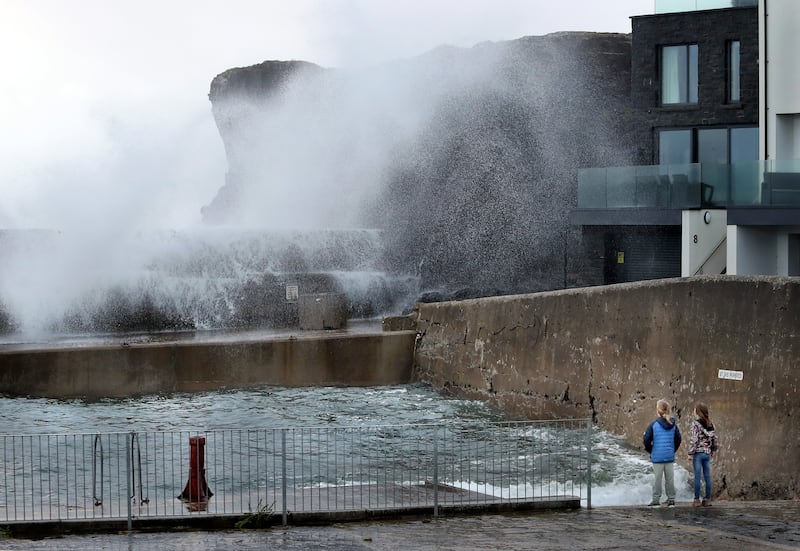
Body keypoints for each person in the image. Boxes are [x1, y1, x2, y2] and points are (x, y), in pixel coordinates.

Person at [643, 399, 682, 507]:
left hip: (657, 457)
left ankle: (656, 500)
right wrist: (672, 450)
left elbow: (646, 440)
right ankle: (671, 500)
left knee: (657, 479)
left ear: (658, 411)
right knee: (670, 479)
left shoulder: (653, 425)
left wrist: (651, 450)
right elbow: (678, 439)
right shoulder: (673, 424)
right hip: (669, 456)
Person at [688, 402, 717, 507]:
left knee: (697, 476)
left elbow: (694, 439)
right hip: (707, 453)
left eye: (694, 410)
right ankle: (707, 499)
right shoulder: (711, 424)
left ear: (697, 412)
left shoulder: (695, 424)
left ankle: (696, 500)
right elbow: (714, 438)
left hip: (698, 453)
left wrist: (690, 453)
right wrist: (713, 450)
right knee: (707, 476)